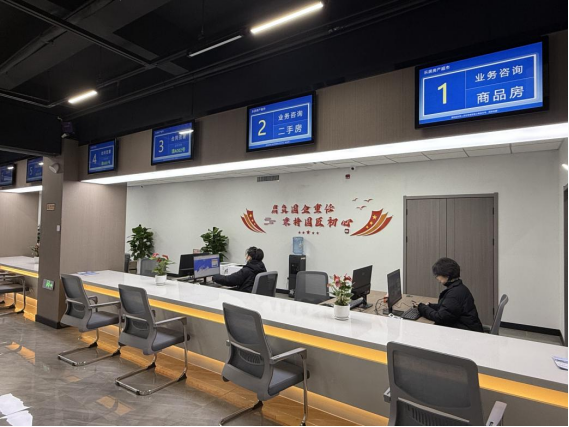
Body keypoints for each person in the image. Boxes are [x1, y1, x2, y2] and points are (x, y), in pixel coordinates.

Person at [417, 258, 484, 332]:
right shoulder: (459, 288)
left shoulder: (454, 294)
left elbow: (440, 318)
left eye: (437, 275)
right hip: (467, 328)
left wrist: (422, 308)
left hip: (467, 333)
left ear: (447, 276)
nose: (436, 278)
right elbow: (449, 308)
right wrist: (430, 306)